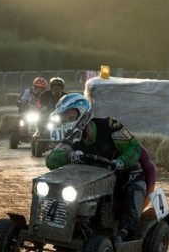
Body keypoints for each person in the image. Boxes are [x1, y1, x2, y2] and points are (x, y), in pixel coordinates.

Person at [46, 93, 145, 244]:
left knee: (133, 190)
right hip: (91, 179)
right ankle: (57, 224)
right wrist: (69, 156)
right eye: (64, 118)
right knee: (63, 186)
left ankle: (125, 232)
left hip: (123, 175)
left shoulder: (109, 126)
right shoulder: (72, 137)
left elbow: (134, 148)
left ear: (83, 114)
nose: (67, 120)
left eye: (70, 116)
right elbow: (51, 160)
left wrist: (121, 162)